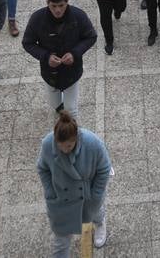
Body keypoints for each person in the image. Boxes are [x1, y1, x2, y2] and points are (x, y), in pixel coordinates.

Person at [37, 110, 110, 257]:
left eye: (69, 146)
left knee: (95, 212)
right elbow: (42, 168)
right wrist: (50, 191)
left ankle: (100, 223)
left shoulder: (92, 144)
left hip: (87, 195)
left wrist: (96, 195)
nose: (65, 150)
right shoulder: (47, 144)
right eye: (61, 146)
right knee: (61, 243)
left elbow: (104, 168)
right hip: (61, 202)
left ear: (76, 138)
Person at [22, 0, 97, 118]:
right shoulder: (37, 19)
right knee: (54, 104)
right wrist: (46, 56)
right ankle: (59, 108)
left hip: (72, 72)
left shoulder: (78, 16)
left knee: (71, 110)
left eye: (61, 5)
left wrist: (75, 53)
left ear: (67, 2)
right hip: (49, 73)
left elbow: (91, 36)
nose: (58, 10)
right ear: (47, 3)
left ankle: (72, 134)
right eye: (54, 6)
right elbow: (28, 43)